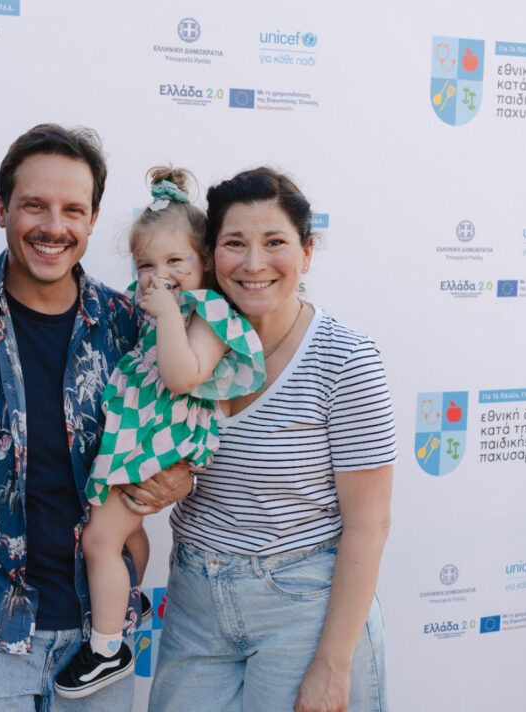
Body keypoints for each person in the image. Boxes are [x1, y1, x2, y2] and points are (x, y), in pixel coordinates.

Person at [0, 124, 192, 712]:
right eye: (35, 205)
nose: (53, 227)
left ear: (92, 220)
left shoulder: (129, 323)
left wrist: (182, 476)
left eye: (73, 210)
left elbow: (190, 413)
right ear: (2, 210)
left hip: (99, 633)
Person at [148, 167, 396, 712]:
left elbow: (369, 525)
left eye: (275, 242)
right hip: (195, 606)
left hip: (304, 609)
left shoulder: (345, 359)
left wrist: (332, 665)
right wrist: (170, 478)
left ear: (306, 252)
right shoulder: (177, 342)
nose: (254, 263)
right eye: (235, 243)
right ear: (210, 255)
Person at [54, 167, 265, 699]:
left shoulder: (209, 312)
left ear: (204, 263)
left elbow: (181, 375)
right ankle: (127, 600)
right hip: (140, 433)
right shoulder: (155, 306)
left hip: (161, 440)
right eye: (147, 264)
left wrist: (168, 312)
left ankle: (108, 647)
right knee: (126, 535)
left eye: (176, 262)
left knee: (99, 539)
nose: (159, 275)